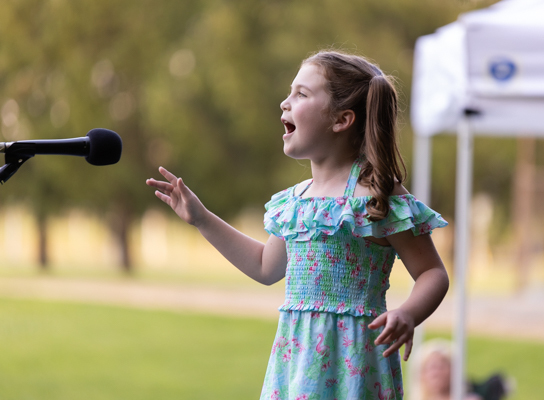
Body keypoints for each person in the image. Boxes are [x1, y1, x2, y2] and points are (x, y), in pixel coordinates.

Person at [146, 50, 450, 399]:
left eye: (301, 94)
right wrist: (201, 219)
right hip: (296, 367)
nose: (284, 103)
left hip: (355, 367)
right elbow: (265, 267)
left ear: (342, 119)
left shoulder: (376, 193)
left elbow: (432, 273)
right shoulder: (293, 203)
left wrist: (408, 314)